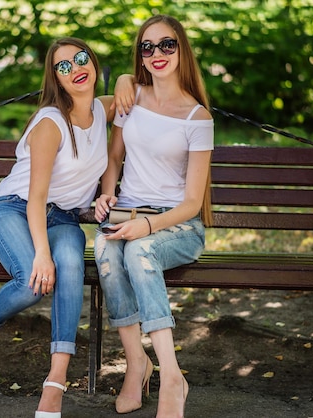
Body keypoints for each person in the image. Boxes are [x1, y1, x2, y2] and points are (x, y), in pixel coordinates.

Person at [0, 37, 114, 418]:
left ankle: (55, 382)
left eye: (81, 59)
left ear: (92, 63)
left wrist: (124, 81)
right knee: (33, 279)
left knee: (72, 266)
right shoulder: (50, 123)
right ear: (56, 79)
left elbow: (131, 90)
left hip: (62, 217)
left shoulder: (101, 110)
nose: (75, 68)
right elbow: (34, 197)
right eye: (63, 66)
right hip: (15, 210)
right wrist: (42, 254)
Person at [93, 15, 214, 417]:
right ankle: (136, 364)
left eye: (167, 45)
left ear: (182, 50)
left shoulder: (198, 119)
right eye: (148, 47)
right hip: (128, 213)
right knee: (107, 251)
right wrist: (108, 193)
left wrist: (145, 226)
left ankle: (173, 377)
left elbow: (193, 204)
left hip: (177, 226)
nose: (157, 54)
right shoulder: (131, 99)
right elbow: (114, 157)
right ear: (140, 55)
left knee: (138, 252)